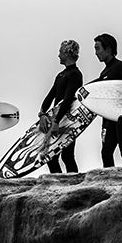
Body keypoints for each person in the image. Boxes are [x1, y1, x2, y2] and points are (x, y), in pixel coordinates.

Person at [94, 33, 122, 169]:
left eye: (98, 48)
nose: (96, 53)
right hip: (109, 118)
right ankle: (110, 182)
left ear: (108, 49)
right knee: (106, 153)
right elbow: (97, 86)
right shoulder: (105, 72)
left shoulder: (120, 66)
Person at [38, 40, 83, 173]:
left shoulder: (75, 74)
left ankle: (74, 184)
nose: (58, 55)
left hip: (68, 120)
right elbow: (50, 95)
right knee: (50, 157)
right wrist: (42, 113)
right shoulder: (61, 75)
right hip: (56, 118)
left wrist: (56, 121)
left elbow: (68, 99)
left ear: (67, 53)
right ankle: (58, 183)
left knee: (67, 156)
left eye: (60, 52)